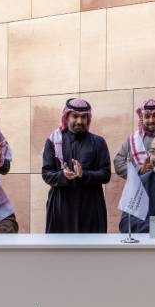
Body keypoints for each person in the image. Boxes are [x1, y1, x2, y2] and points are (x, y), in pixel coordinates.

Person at [42, 98, 111, 233]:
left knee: (91, 245)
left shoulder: (98, 142)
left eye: (83, 117)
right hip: (61, 206)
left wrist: (84, 174)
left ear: (88, 119)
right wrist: (63, 175)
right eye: (75, 116)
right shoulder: (53, 141)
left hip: (90, 207)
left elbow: (106, 174)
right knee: (60, 245)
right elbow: (46, 174)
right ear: (67, 117)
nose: (79, 121)